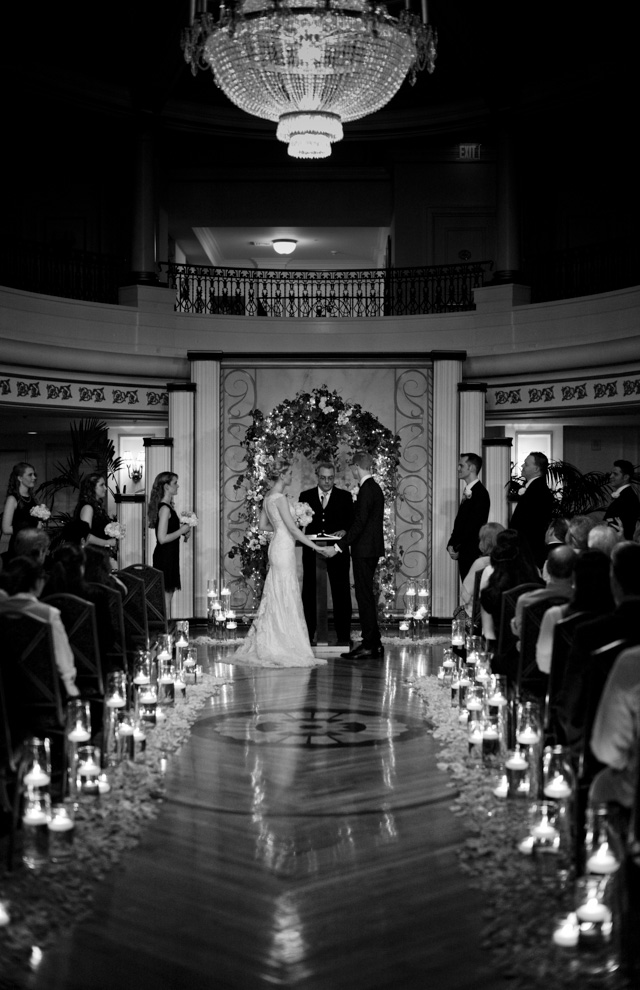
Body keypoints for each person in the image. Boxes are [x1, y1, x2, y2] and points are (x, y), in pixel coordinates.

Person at [233, 457, 330, 666]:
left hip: (276, 546)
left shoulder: (268, 497)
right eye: (290, 474)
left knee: (277, 591)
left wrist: (282, 528)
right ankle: (284, 642)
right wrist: (316, 547)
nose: (292, 476)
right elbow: (294, 530)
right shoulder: (280, 498)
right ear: (283, 475)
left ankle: (275, 637)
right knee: (285, 591)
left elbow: (262, 526)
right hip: (283, 548)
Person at [326, 452, 385, 661]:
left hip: (365, 550)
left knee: (364, 596)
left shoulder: (367, 489)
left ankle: (369, 644)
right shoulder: (372, 488)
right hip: (369, 549)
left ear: (357, 466)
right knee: (365, 595)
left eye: (352, 466)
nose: (351, 469)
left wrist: (339, 546)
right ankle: (374, 642)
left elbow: (360, 523)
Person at [0, 555, 79, 697]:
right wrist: (71, 686)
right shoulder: (48, 613)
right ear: (36, 582)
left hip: (6, 691)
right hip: (41, 690)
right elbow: (63, 659)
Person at [299, 461, 354, 645]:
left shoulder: (345, 497)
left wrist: (345, 531)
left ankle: (343, 637)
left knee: (341, 594)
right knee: (309, 594)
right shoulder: (305, 496)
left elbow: (353, 523)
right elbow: (300, 525)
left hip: (338, 553)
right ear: (317, 476)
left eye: (330, 478)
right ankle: (309, 636)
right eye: (323, 478)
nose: (327, 482)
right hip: (312, 552)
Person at [536, 548, 614, 674]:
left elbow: (544, 665)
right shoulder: (622, 619)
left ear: (575, 577)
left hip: (566, 687)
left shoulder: (556, 615)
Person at [148, 472, 192, 616]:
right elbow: (162, 538)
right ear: (166, 486)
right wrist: (181, 531)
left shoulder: (167, 507)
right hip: (165, 557)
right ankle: (165, 632)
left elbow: (169, 534)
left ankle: (165, 631)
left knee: (168, 595)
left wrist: (184, 533)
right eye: (175, 483)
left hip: (171, 555)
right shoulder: (165, 508)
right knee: (165, 597)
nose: (177, 485)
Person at [510, 544, 576, 640]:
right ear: (575, 570)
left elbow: (523, 638)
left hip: (534, 654)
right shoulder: (585, 603)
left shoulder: (526, 601)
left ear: (548, 569)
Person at [446, 452, 490, 581]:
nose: (458, 469)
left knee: (471, 592)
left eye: (461, 465)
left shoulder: (480, 493)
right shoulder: (470, 491)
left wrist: (457, 546)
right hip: (464, 551)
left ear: (471, 468)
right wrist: (451, 544)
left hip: (471, 552)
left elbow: (473, 526)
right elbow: (460, 522)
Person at [509, 451, 556, 569]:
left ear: (536, 469)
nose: (522, 466)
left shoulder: (538, 491)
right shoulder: (534, 488)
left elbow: (531, 524)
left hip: (529, 551)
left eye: (526, 464)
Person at [460, 521, 505, 613]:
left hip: (481, 614)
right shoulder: (511, 562)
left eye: (481, 539)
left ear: (486, 542)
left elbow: (466, 594)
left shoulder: (481, 563)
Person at [2, 461, 39, 561]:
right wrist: (32, 527)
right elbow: (6, 528)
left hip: (33, 546)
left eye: (34, 474)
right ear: (20, 478)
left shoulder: (32, 499)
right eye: (30, 475)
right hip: (19, 548)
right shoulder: (12, 499)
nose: (34, 478)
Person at [74, 473, 117, 555]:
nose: (105, 488)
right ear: (92, 488)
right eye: (102, 485)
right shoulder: (88, 507)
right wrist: (107, 542)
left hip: (98, 553)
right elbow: (86, 535)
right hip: (91, 554)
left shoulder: (96, 506)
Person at [603, 459, 639, 539]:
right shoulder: (626, 494)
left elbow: (624, 524)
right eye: (611, 473)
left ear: (626, 477)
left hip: (620, 541)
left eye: (615, 474)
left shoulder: (629, 497)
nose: (610, 476)